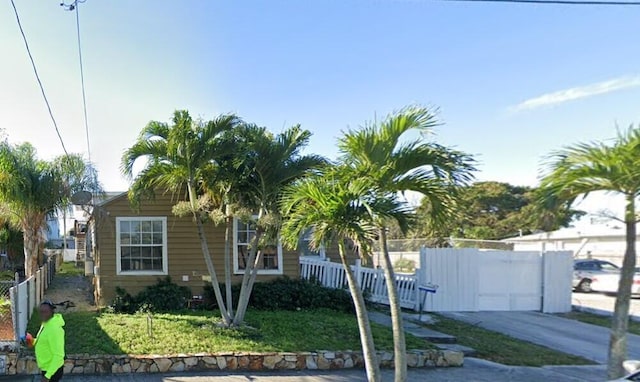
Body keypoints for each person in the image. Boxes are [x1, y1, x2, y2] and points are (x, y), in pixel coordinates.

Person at [33, 300, 65, 382]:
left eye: (45, 312)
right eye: (41, 312)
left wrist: (47, 376)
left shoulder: (54, 329)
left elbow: (58, 355)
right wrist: (32, 342)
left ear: (52, 312)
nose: (42, 314)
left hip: (52, 370)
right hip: (47, 367)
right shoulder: (46, 323)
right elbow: (43, 339)